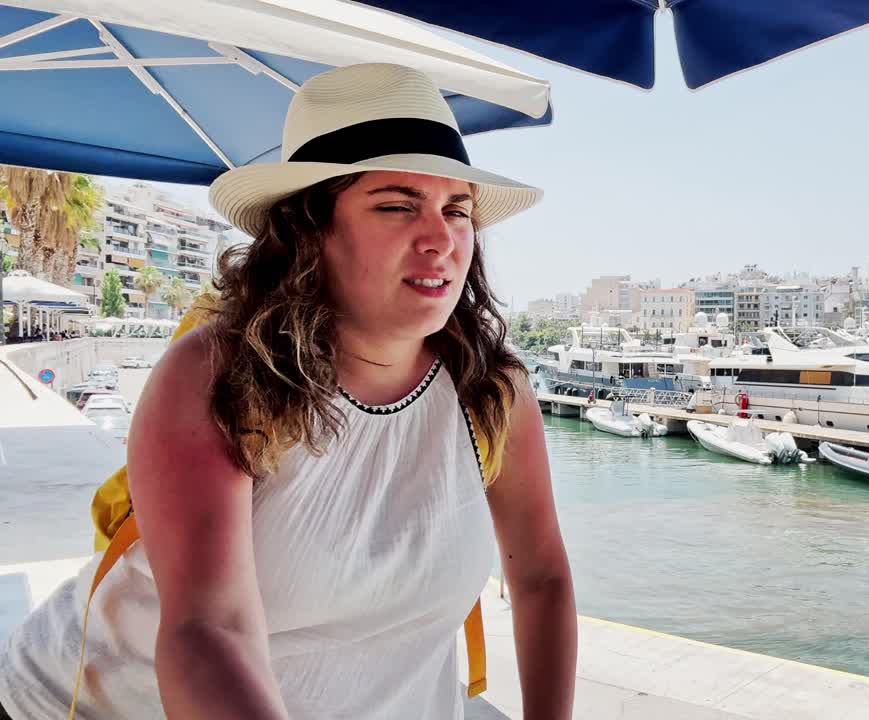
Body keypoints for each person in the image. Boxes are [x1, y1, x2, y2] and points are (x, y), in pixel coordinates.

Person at [0, 64, 577, 719]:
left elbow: (541, 578)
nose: (441, 239)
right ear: (309, 228)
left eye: (457, 210)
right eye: (396, 205)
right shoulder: (219, 371)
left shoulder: (491, 390)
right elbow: (209, 631)